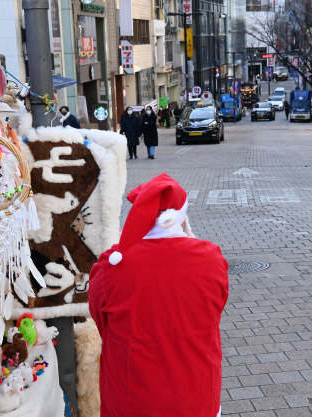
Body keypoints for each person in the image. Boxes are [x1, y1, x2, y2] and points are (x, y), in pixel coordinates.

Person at [89, 173, 229, 417]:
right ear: (183, 219)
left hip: (133, 398)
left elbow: (102, 324)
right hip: (198, 395)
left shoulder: (111, 266)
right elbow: (215, 308)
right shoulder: (212, 259)